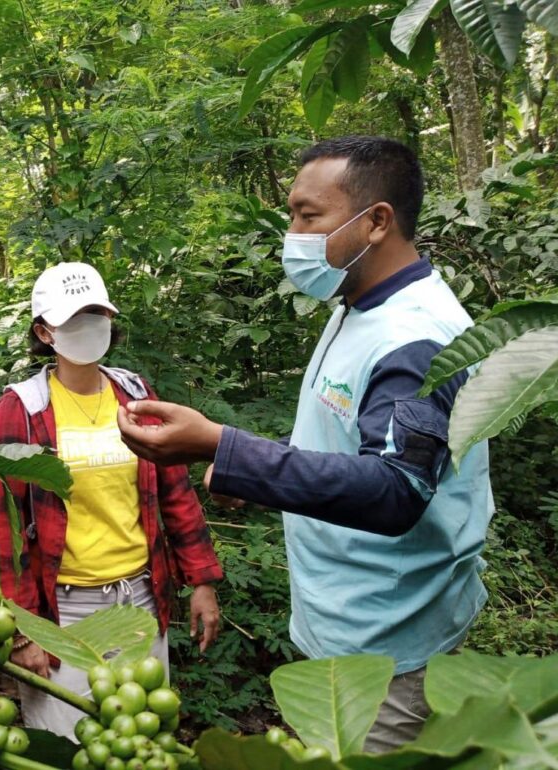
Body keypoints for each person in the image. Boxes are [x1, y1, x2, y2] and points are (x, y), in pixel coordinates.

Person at [116, 136, 494, 753]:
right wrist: (252, 474)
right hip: (345, 624)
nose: (292, 232)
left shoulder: (416, 337)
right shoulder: (361, 303)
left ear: (375, 222)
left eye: (307, 216)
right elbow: (348, 437)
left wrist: (223, 447)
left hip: (388, 650)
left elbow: (397, 489)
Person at [0, 262, 224, 741]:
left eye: (96, 314)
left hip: (139, 598)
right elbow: (5, 532)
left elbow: (176, 493)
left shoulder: (134, 396)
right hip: (65, 613)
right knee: (73, 743)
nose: (88, 328)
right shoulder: (24, 411)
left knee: (141, 736)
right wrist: (22, 629)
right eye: (72, 319)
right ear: (44, 332)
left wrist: (201, 580)